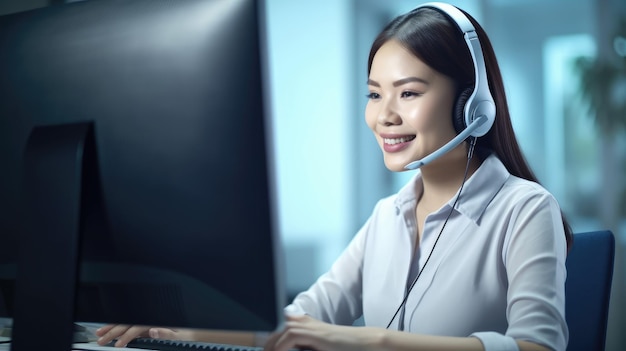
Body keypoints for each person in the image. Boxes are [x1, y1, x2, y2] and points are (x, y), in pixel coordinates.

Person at [96, 3, 572, 351]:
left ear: (471, 101)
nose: (383, 116)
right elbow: (303, 321)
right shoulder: (389, 216)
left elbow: (539, 348)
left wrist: (371, 341)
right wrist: (176, 330)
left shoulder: (525, 208)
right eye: (373, 94)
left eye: (407, 93)